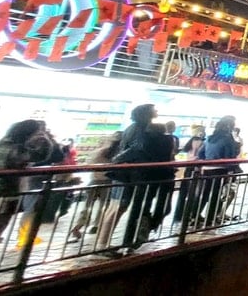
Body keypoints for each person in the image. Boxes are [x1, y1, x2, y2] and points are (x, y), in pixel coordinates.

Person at [0, 120, 50, 265]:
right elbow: (40, 156)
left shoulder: (0, 145)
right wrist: (45, 140)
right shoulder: (17, 149)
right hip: (4, 196)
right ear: (28, 133)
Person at [97, 103, 156, 255]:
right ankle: (103, 245)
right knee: (119, 206)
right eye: (153, 110)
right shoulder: (140, 129)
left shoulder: (132, 127)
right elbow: (136, 149)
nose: (156, 112)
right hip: (129, 173)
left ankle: (102, 243)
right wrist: (119, 160)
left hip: (123, 172)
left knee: (114, 206)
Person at [69, 132, 122, 241]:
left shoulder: (99, 151)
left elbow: (89, 163)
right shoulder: (118, 153)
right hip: (107, 182)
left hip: (93, 181)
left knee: (87, 206)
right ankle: (96, 226)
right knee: (104, 207)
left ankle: (78, 226)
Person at [134, 123, 176, 246]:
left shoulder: (143, 139)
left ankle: (144, 226)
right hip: (165, 174)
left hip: (147, 175)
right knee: (164, 205)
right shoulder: (168, 139)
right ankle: (151, 225)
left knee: (146, 202)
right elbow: (170, 156)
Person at [192, 116, 239, 229]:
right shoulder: (228, 138)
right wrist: (231, 171)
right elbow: (230, 156)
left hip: (207, 169)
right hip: (220, 170)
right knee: (216, 195)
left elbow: (201, 154)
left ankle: (194, 216)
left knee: (205, 193)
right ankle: (210, 218)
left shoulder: (209, 138)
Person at [173, 124, 205, 224]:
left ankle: (179, 215)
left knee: (184, 192)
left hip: (188, 167)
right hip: (197, 168)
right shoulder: (202, 142)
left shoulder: (190, 142)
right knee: (195, 193)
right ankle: (191, 214)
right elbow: (200, 155)